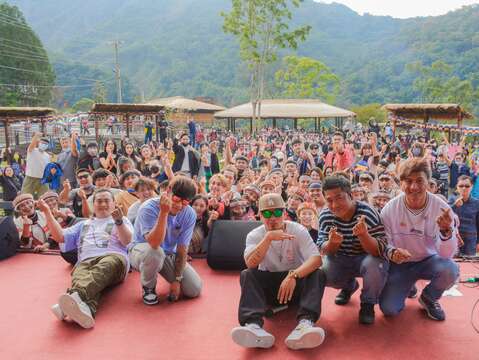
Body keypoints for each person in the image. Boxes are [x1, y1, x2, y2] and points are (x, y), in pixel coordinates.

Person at [231, 193, 326, 350]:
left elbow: (316, 259)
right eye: (267, 213)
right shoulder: (254, 235)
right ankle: (253, 325)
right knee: (247, 274)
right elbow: (250, 263)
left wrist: (293, 275)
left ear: (284, 213)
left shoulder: (298, 230)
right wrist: (268, 239)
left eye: (276, 212)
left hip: (295, 286)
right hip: (270, 290)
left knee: (318, 273)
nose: (272, 217)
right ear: (260, 215)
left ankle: (305, 324)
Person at [39, 189, 133, 329]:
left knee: (104, 267)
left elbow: (126, 241)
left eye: (106, 200)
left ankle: (71, 299)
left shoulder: (123, 220)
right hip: (84, 262)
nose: (103, 204)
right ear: (93, 204)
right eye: (99, 201)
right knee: (81, 275)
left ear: (114, 203)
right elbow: (59, 237)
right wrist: (47, 212)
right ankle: (86, 310)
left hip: (113, 258)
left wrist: (118, 222)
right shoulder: (83, 224)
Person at [379, 158, 460, 321]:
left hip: (428, 260)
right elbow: (383, 242)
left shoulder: (442, 209)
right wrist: (392, 252)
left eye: (419, 181)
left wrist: (446, 232)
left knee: (451, 270)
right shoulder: (390, 209)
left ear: (429, 182)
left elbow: (447, 254)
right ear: (401, 183)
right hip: (400, 264)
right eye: (408, 181)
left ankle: (429, 298)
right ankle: (408, 286)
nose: (414, 187)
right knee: (389, 309)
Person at [317, 175, 399, 324]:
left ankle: (368, 303)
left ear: (350, 195)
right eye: (329, 200)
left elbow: (380, 250)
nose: (334, 205)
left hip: (366, 258)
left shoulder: (367, 212)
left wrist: (364, 235)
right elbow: (323, 248)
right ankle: (349, 286)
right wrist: (332, 243)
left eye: (339, 198)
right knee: (323, 271)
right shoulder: (325, 215)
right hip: (341, 258)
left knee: (376, 264)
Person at [129, 176, 202, 305]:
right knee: (155, 252)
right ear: (168, 191)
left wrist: (177, 280)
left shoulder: (189, 213)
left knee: (193, 289)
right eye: (176, 199)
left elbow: (182, 248)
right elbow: (154, 243)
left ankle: (168, 274)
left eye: (184, 203)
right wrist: (163, 213)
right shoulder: (149, 207)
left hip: (168, 253)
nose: (178, 205)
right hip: (142, 250)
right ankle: (149, 288)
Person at [450, 175, 479, 256]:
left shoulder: (477, 203)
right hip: (454, 239)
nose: (464, 188)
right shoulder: (451, 200)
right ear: (457, 187)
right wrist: (454, 206)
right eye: (461, 186)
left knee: (469, 265)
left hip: (470, 239)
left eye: (467, 186)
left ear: (472, 187)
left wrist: (478, 242)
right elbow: (444, 216)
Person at [21, 133, 50, 199]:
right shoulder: (32, 150)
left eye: (45, 144)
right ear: (39, 143)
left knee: (44, 198)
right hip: (30, 177)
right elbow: (32, 145)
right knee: (26, 197)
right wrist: (36, 136)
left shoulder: (47, 155)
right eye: (42, 143)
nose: (43, 145)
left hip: (43, 179)